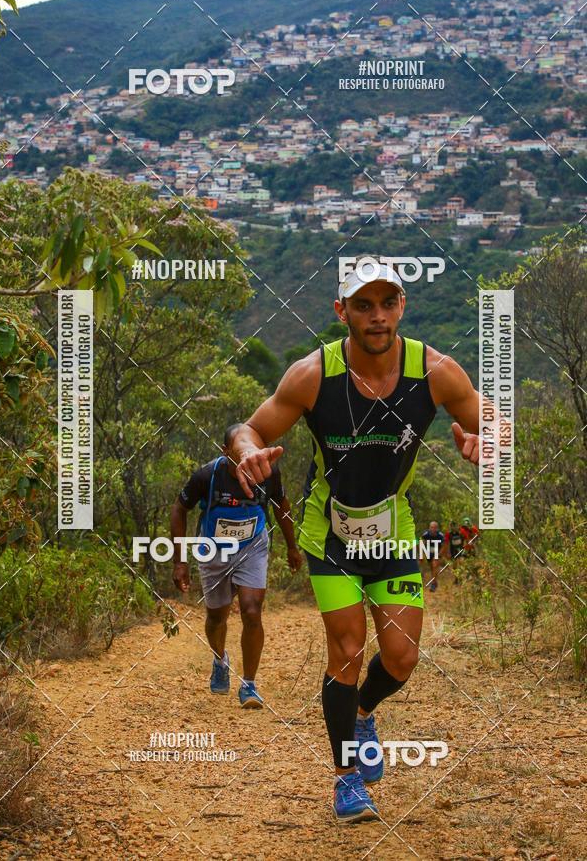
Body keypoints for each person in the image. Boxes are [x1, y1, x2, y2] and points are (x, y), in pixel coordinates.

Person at [231, 258, 484, 822]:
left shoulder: (437, 371)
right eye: (362, 305)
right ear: (341, 311)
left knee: (401, 656)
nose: (377, 317)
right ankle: (346, 779)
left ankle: (365, 710)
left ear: (402, 306)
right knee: (346, 652)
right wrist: (249, 450)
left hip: (392, 528)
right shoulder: (312, 375)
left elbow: (488, 420)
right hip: (331, 531)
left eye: (387, 303)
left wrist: (485, 439)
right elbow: (248, 428)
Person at [171, 423, 303, 709]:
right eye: (240, 448)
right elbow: (179, 508)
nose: (247, 454)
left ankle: (250, 684)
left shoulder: (266, 472)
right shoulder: (207, 476)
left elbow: (282, 505)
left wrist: (293, 546)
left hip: (252, 546)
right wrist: (179, 560)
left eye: (251, 447)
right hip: (213, 550)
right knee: (217, 616)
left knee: (252, 611)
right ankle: (220, 660)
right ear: (225, 450)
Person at [419, 521, 445, 592]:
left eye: (434, 527)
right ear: (429, 528)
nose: (433, 529)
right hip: (428, 553)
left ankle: (433, 584)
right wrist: (421, 555)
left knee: (434, 565)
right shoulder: (425, 535)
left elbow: (443, 546)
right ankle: (435, 581)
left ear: (437, 528)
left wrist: (440, 554)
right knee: (432, 568)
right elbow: (421, 544)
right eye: (431, 527)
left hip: (437, 553)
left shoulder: (440, 535)